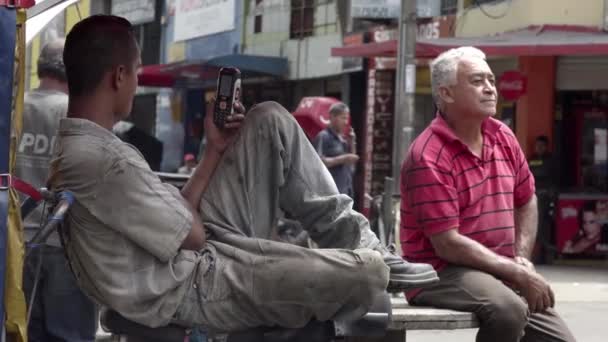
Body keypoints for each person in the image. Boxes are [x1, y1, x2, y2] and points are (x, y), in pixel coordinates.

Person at [49, 15, 438, 334]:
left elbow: (182, 221)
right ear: (118, 76)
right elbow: (193, 234)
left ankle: (364, 242)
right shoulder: (101, 159)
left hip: (193, 254)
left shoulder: (92, 148)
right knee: (368, 274)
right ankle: (370, 258)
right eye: (135, 74)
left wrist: (215, 150)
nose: (135, 86)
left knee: (268, 119)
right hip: (195, 284)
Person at [400, 47, 575, 342]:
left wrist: (520, 260)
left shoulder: (503, 135)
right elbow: (447, 244)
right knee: (507, 309)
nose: (490, 88)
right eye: (477, 81)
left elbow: (526, 198)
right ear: (446, 94)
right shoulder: (427, 155)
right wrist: (516, 273)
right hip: (439, 272)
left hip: (498, 268)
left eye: (491, 80)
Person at [15, 39, 97, 342]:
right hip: (65, 248)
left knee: (23, 333)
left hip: (18, 245)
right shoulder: (77, 112)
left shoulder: (15, 108)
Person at [313, 102, 358, 197]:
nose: (346, 122)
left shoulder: (344, 140)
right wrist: (342, 159)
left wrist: (352, 143)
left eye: (347, 118)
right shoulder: (324, 136)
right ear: (332, 117)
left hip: (346, 191)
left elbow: (351, 166)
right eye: (343, 118)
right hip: (330, 194)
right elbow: (317, 163)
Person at [528, 135, 559, 263]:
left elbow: (555, 177)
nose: (538, 148)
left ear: (546, 147)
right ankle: (539, 254)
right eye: (537, 146)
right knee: (536, 225)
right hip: (534, 196)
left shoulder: (551, 160)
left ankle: (547, 255)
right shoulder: (532, 159)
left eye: (541, 146)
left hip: (547, 197)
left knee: (545, 226)